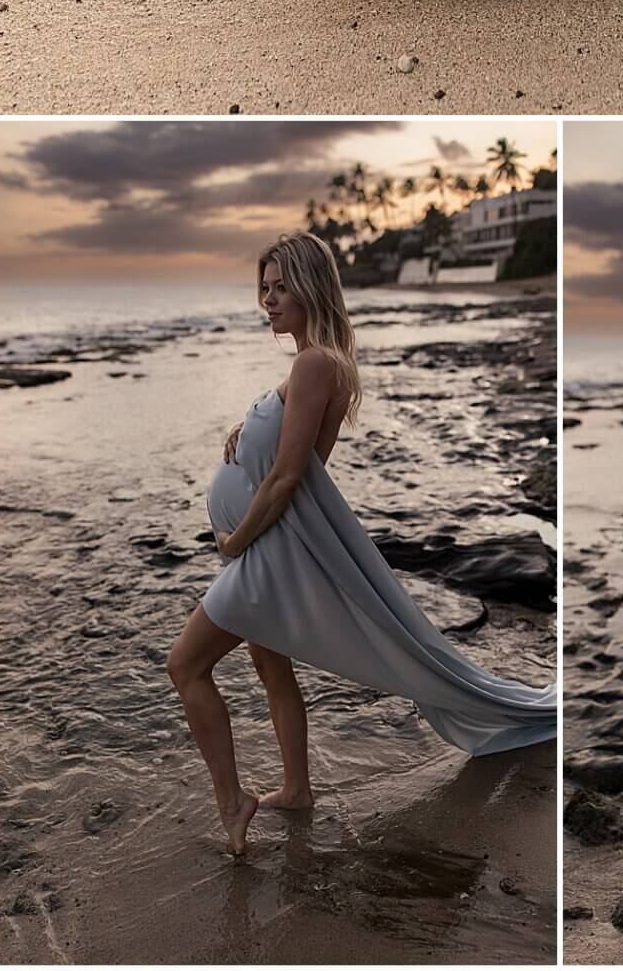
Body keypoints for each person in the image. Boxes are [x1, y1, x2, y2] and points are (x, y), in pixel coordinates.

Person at [166, 233, 555, 856]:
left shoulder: (315, 363)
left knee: (185, 665)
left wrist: (235, 541)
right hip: (270, 550)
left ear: (311, 285)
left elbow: (292, 476)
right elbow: (287, 452)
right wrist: (249, 424)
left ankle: (232, 801)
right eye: (262, 288)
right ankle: (297, 790)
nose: (267, 300)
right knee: (272, 671)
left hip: (265, 554)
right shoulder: (316, 364)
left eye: (280, 286)